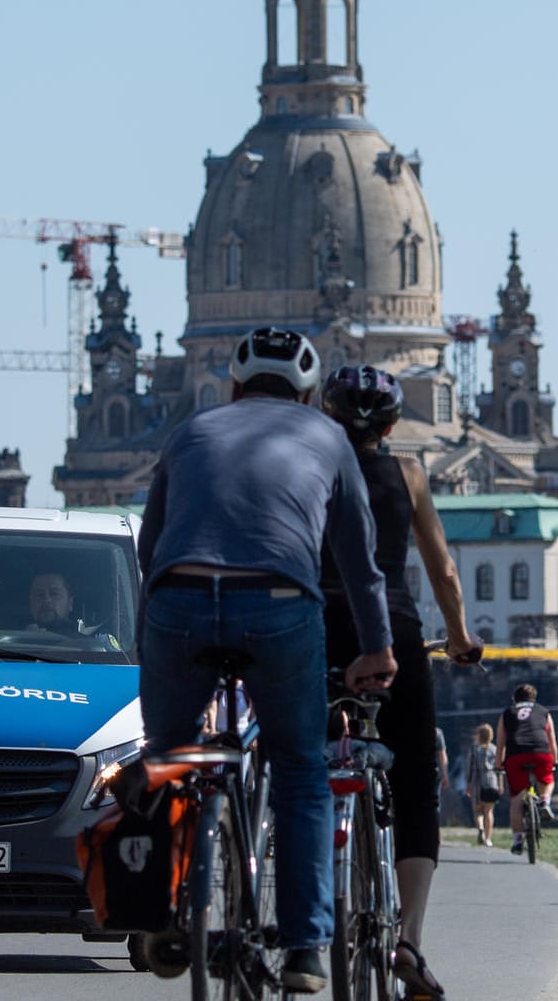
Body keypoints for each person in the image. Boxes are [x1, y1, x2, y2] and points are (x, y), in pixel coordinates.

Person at [137, 327, 398, 994]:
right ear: (312, 397)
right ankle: (306, 947)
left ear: (231, 386)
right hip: (280, 606)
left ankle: (160, 909)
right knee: (301, 772)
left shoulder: (191, 433)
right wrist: (377, 649)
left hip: (179, 599)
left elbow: (150, 545)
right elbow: (360, 567)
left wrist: (157, 623)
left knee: (167, 754)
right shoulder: (330, 439)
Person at [316, 364, 481, 998]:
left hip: (321, 626)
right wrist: (460, 637)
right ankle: (409, 938)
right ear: (390, 424)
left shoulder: (312, 467)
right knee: (415, 784)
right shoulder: (408, 474)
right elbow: (441, 569)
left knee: (301, 762)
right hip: (395, 632)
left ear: (328, 415)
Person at [496, 684, 558, 855]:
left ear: (515, 699)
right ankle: (545, 801)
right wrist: (555, 760)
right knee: (547, 780)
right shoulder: (544, 711)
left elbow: (501, 742)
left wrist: (497, 764)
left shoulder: (507, 713)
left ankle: (517, 841)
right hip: (540, 751)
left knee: (516, 798)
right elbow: (551, 738)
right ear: (534, 698)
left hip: (515, 754)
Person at [464, 723, 501, 847]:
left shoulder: (474, 750)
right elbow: (499, 768)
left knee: (478, 810)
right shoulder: (495, 749)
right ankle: (488, 838)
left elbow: (469, 767)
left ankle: (480, 827)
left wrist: (468, 783)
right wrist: (500, 784)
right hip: (492, 782)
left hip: (477, 783)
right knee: (489, 811)